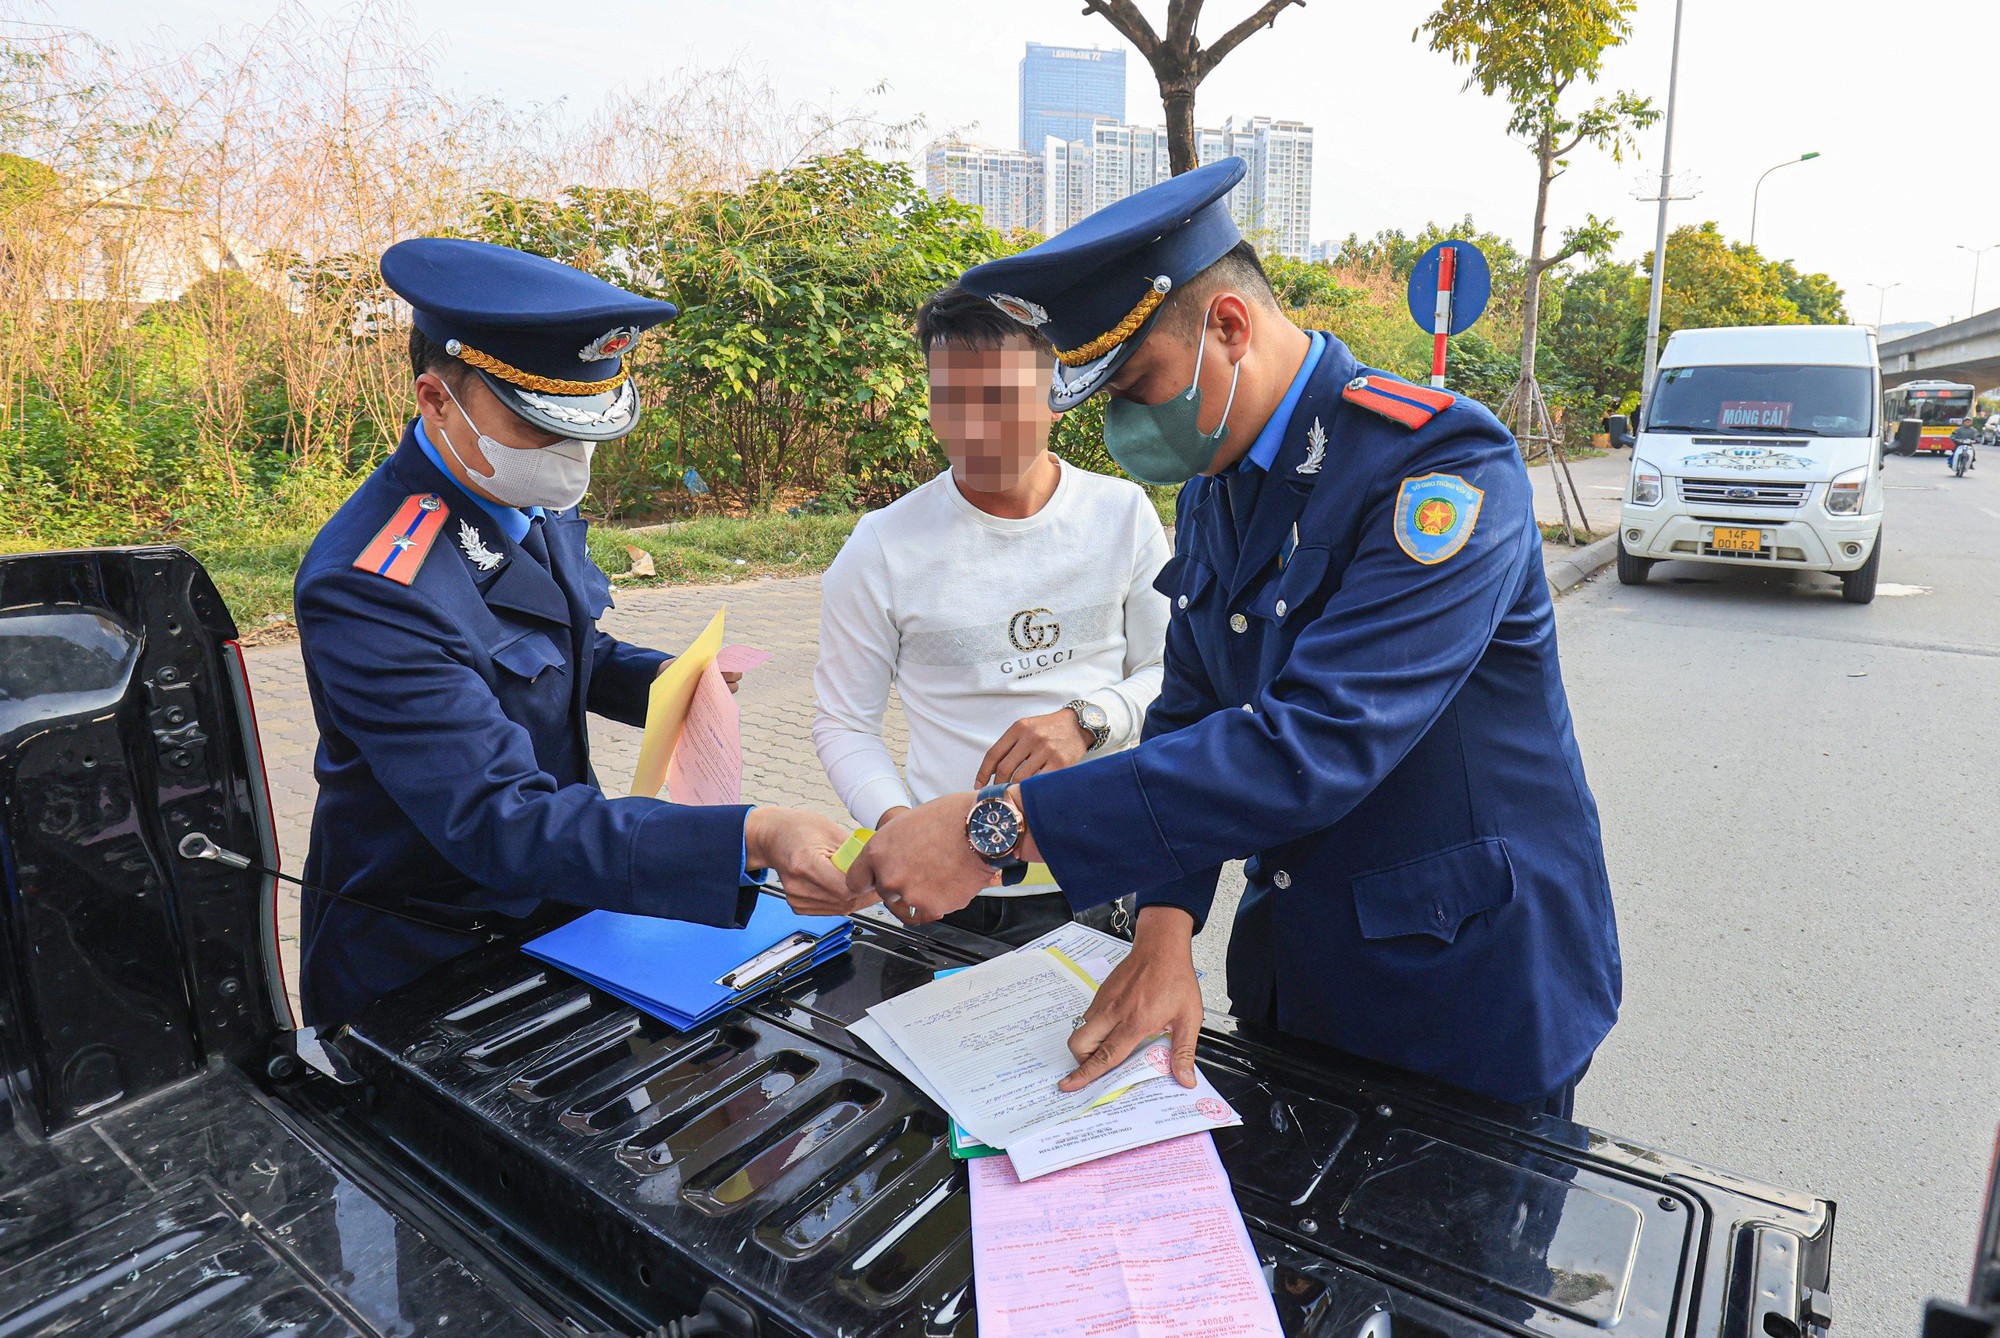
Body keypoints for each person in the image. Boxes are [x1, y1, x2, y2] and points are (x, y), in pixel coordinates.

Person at [846, 160, 1621, 1119]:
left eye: (1136, 386)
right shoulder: (1217, 476)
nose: (1127, 425)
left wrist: (992, 826)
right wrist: (1165, 930)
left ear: (1228, 328)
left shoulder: (1439, 468)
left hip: (1467, 987)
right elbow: (1192, 705)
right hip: (1300, 971)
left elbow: (1315, 744)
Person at [294, 238, 850, 1028]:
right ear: (437, 400)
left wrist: (666, 682)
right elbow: (500, 820)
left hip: (561, 909)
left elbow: (556, 654)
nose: (571, 453)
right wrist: (749, 835)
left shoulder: (518, 494)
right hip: (431, 962)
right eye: (540, 425)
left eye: (584, 424)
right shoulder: (374, 584)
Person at [812, 285, 1170, 946]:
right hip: (959, 889)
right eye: (949, 400)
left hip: (1105, 867)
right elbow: (843, 723)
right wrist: (902, 830)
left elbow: (1169, 673)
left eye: (1000, 400)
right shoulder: (883, 546)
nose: (972, 428)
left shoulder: (1122, 516)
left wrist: (1090, 722)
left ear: (1056, 394)